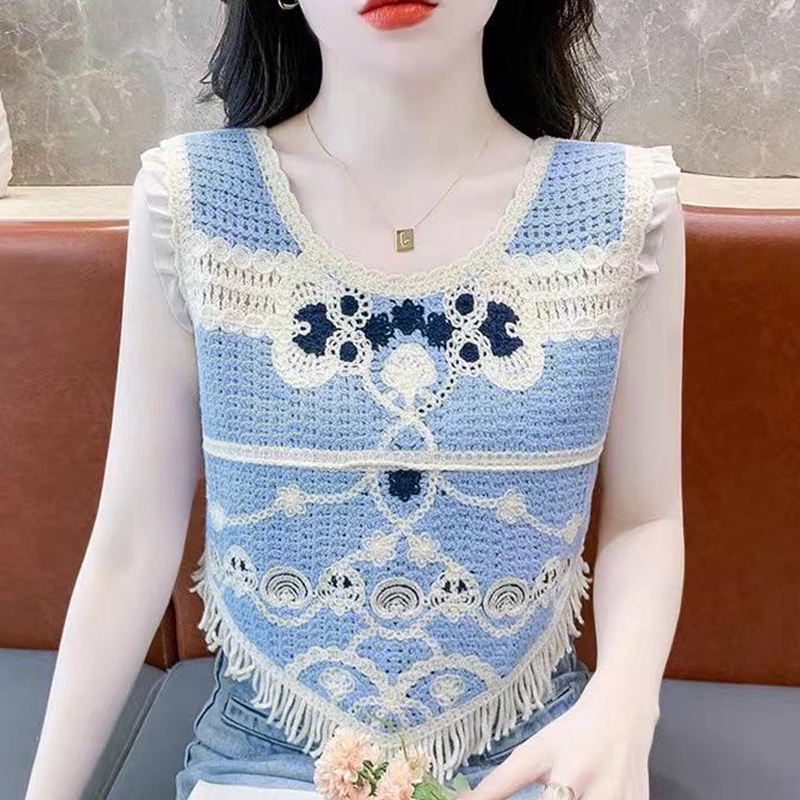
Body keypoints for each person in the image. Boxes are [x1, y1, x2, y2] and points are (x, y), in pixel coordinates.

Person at [23, 1, 686, 799]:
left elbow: (646, 517)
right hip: (269, 760)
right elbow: (131, 542)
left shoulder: (623, 207)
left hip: (541, 755)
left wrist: (625, 703)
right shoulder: (192, 200)